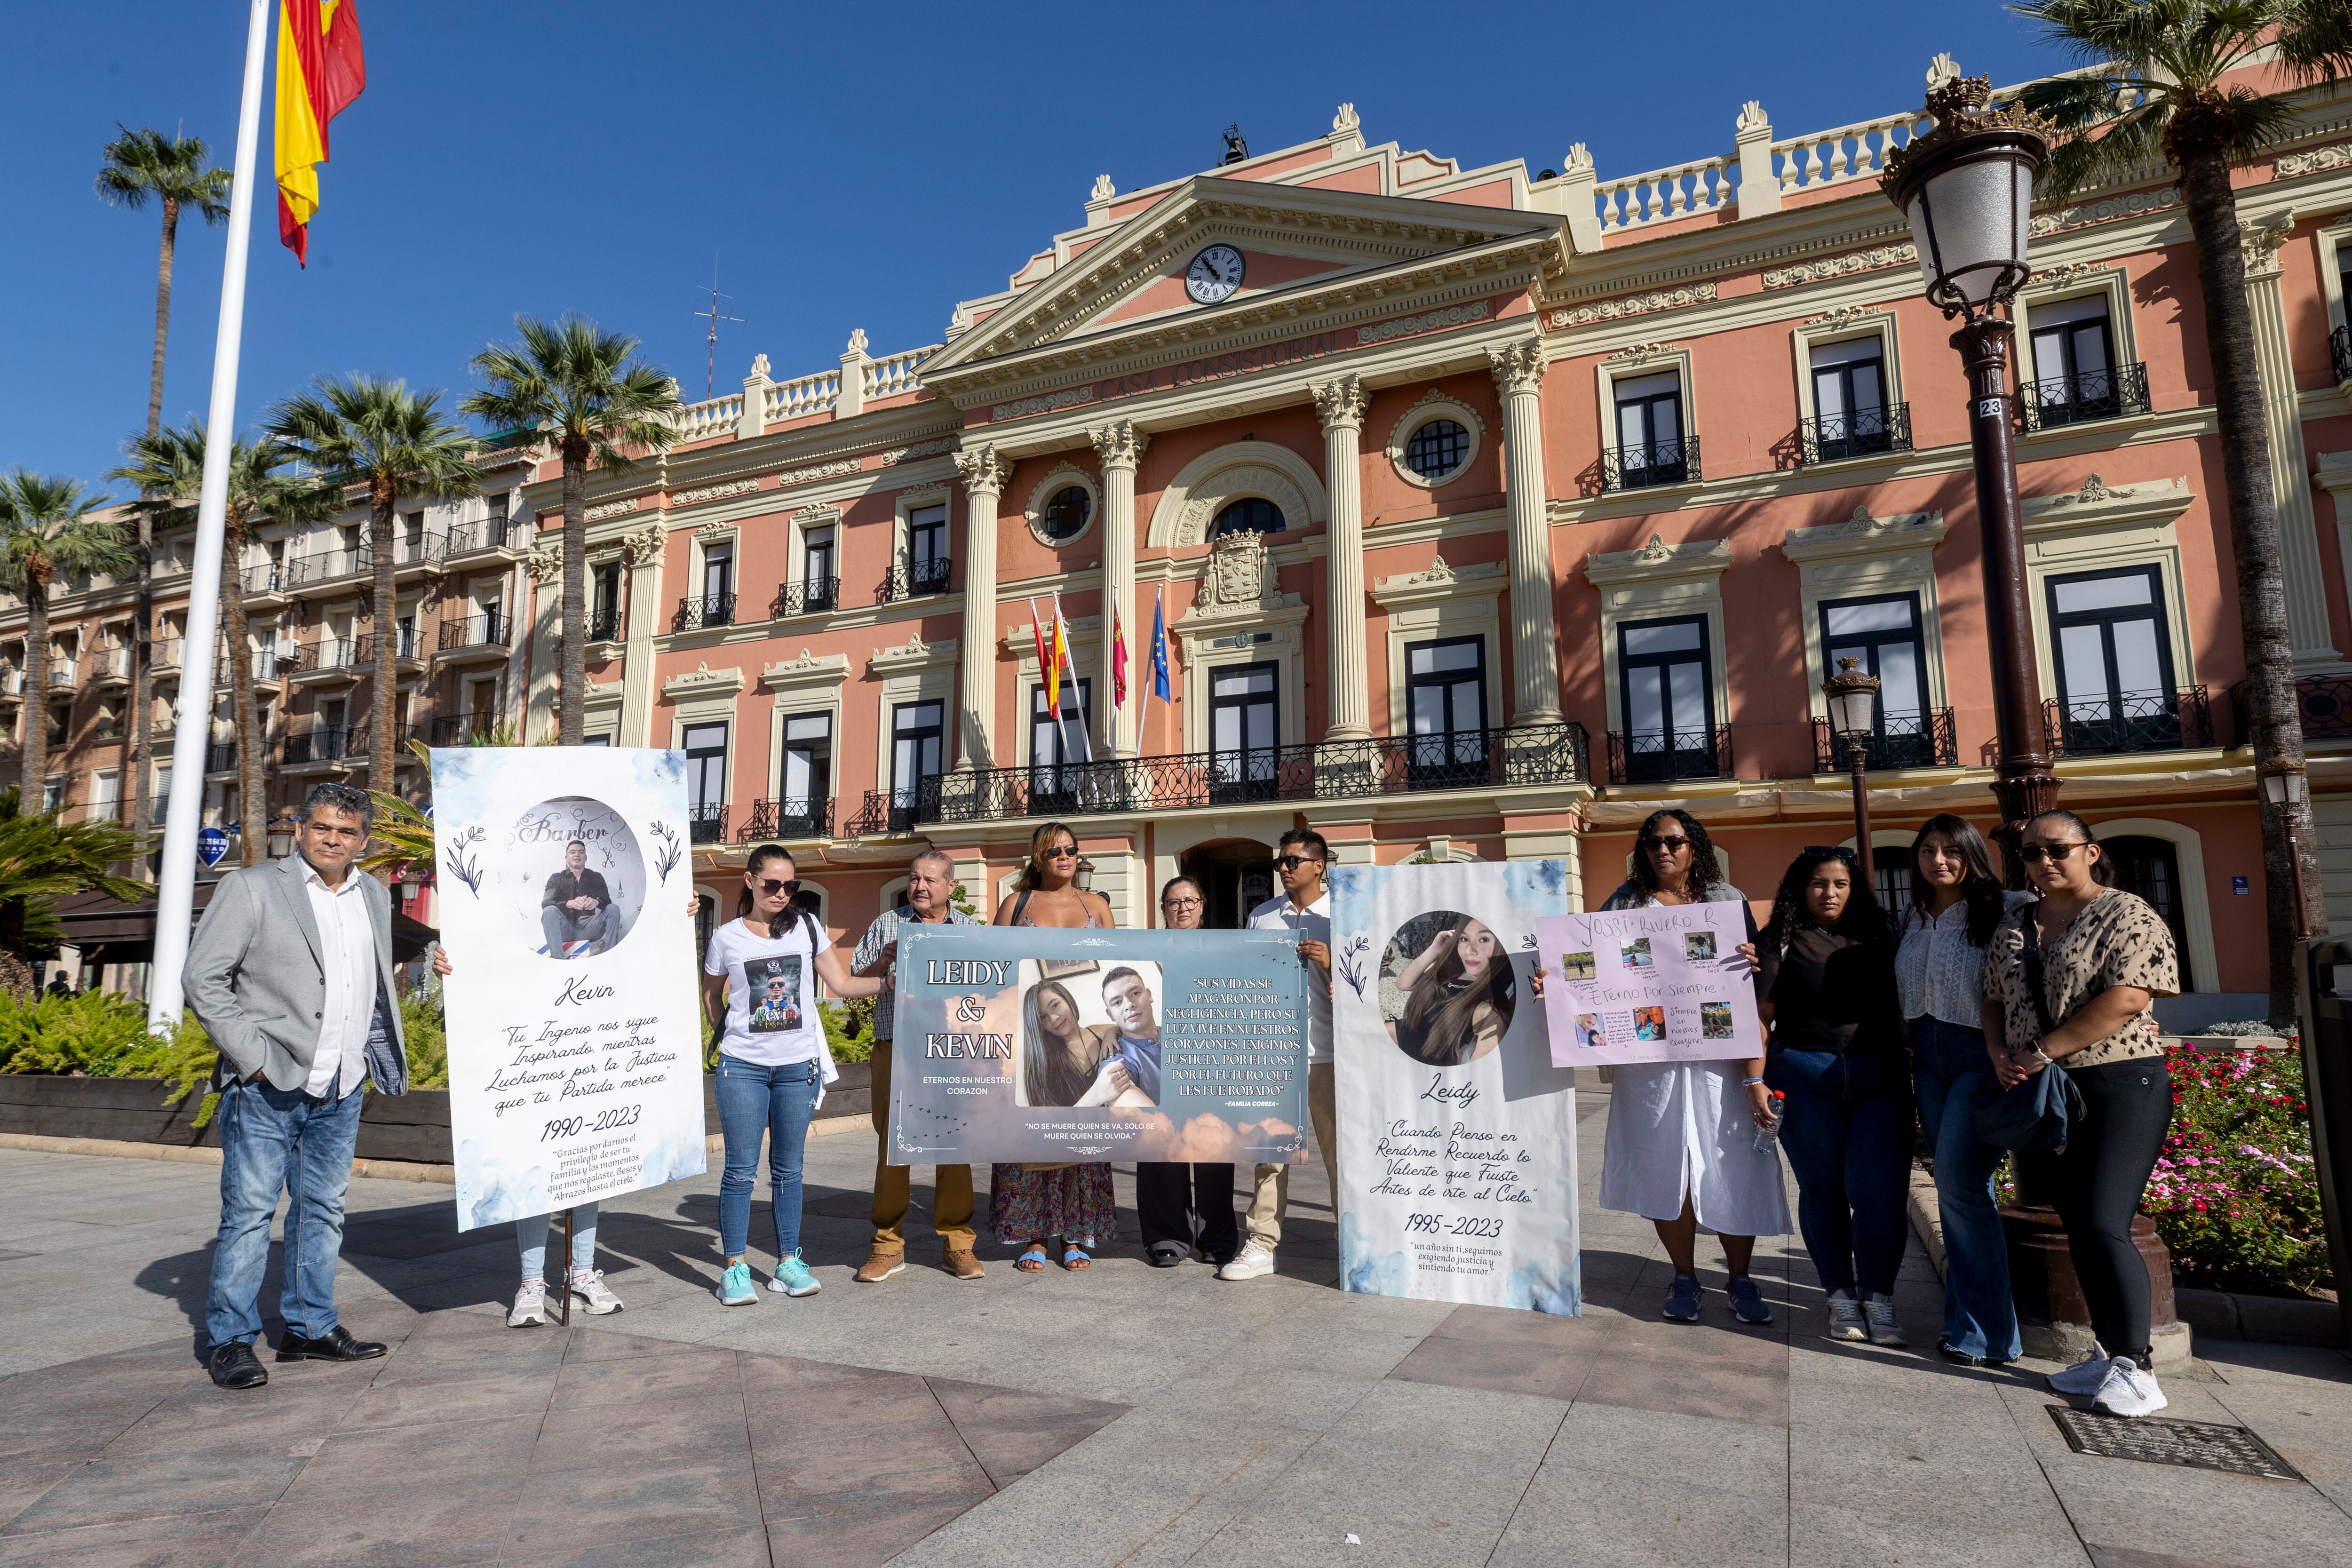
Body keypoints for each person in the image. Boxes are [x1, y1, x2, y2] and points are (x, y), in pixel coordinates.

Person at [185, 783, 410, 1390]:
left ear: (363, 840)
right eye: (321, 828)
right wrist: (252, 1057)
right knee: (250, 1214)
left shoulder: (375, 895)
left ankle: (309, 1328)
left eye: (345, 832)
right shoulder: (252, 887)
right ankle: (230, 1340)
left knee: (324, 1211)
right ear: (300, 830)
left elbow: (370, 977)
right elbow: (204, 979)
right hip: (268, 1083)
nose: (332, 839)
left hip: (343, 1083)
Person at [1986, 811, 2180, 1418]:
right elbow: (1992, 995)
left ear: (2090, 852)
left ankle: (2140, 1368)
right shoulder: (2017, 922)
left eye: (2058, 849)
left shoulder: (2128, 914)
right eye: (2031, 853)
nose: (2044, 861)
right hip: (2046, 1088)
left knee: (2103, 1218)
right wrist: (1999, 1053)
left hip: (2121, 1080)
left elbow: (2129, 997)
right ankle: (2110, 1351)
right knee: (2076, 1220)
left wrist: (2042, 1050)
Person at [436, 894, 699, 1328]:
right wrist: (454, 968)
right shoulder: (533, 946)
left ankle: (581, 1274)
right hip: (538, 1067)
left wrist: (671, 914)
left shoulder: (608, 951)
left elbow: (648, 968)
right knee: (534, 1171)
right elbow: (489, 979)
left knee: (587, 1172)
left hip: (591, 1060)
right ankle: (532, 1283)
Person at [1596, 809, 1787, 1326]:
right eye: (1653, 842)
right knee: (1664, 1167)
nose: (1664, 850)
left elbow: (1760, 982)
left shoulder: (1726, 902)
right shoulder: (1624, 902)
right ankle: (1683, 1277)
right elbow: (1592, 969)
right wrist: (1559, 987)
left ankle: (1740, 1278)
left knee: (1731, 1163)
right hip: (1650, 1063)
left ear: (1693, 847)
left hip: (1719, 1062)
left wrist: (1754, 959)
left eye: (1675, 841)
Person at [703, 844, 885, 1306]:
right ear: (750, 882)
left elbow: (841, 984)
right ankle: (735, 1268)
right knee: (740, 1172)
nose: (782, 893)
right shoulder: (726, 937)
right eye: (772, 884)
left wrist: (891, 981)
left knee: (789, 1170)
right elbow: (711, 995)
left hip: (796, 1067)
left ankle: (787, 1263)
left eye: (790, 885)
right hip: (742, 1067)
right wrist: (730, 1033)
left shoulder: (807, 927)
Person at [1756, 847, 1912, 1348]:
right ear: (1801, 888)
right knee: (1822, 1190)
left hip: (1877, 1076)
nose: (1829, 893)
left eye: (1840, 884)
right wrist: (1752, 1081)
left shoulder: (1884, 932)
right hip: (1804, 1074)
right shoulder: (1777, 939)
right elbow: (1760, 1016)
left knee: (1879, 1195)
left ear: (1855, 888)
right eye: (1819, 884)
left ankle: (1879, 1298)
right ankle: (1839, 1295)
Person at [1898, 813, 2025, 1366]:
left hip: (1980, 1055)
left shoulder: (2006, 907)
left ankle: (1984, 1335)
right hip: (1925, 1058)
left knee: (1956, 1183)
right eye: (1928, 851)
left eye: (1950, 850)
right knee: (1966, 1187)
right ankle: (1976, 1323)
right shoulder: (1912, 916)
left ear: (1972, 854)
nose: (1938, 861)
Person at [990, 821, 1120, 1272]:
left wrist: (1106, 1029)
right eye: (1053, 851)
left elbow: (1117, 967)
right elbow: (991, 970)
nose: (1063, 857)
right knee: (1029, 1139)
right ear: (1037, 858)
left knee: (1081, 1140)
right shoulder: (1016, 903)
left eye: (1070, 850)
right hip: (1027, 1040)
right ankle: (1035, 1236)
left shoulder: (1098, 906)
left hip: (1077, 1041)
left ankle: (1075, 1236)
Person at [850, 850, 983, 1283]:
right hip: (898, 1049)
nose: (920, 886)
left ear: (950, 886)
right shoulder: (888, 925)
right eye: (914, 878)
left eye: (930, 879)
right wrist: (882, 962)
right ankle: (887, 1246)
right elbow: (853, 978)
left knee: (955, 1145)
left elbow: (993, 984)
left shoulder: (971, 931)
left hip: (952, 1053)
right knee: (893, 1146)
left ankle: (959, 1244)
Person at [1223, 828, 1336, 1283]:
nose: (1284, 870)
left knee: (1341, 1153)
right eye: (1280, 863)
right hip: (1274, 1053)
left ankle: (1354, 1237)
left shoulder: (1344, 915)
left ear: (1319, 866)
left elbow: (1375, 989)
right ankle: (1262, 1242)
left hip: (1330, 1052)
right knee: (1270, 1153)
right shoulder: (1262, 917)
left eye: (1292, 861)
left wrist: (1332, 960)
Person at [1136, 876, 1238, 1268]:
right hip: (1159, 1058)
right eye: (1173, 902)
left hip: (1210, 1057)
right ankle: (1167, 1235)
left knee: (1213, 1145)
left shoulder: (1224, 949)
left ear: (1203, 904)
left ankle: (1217, 1236)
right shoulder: (1146, 950)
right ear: (1162, 909)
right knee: (1160, 1145)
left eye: (1190, 900)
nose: (1182, 908)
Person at [1387, 914, 1515, 1066]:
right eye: (1464, 939)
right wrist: (1434, 950)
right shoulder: (1449, 969)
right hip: (1403, 1031)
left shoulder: (1490, 1008)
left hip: (1425, 1060)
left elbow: (1484, 1068)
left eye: (1483, 940)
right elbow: (1402, 985)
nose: (1469, 950)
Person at [1021, 979, 1116, 1106]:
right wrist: (1096, 1096)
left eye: (1055, 1006)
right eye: (1043, 1017)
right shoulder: (1046, 1065)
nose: (1054, 1018)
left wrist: (1113, 1032)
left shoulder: (1103, 1032)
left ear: (1067, 999)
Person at [540, 838, 616, 958]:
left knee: (613, 909)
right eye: (573, 852)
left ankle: (611, 956)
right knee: (549, 911)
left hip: (590, 928)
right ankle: (558, 960)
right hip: (565, 928)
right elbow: (546, 903)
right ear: (566, 858)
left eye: (581, 852)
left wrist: (597, 901)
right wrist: (569, 904)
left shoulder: (596, 877)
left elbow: (607, 902)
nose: (577, 855)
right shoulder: (556, 878)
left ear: (586, 857)